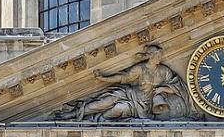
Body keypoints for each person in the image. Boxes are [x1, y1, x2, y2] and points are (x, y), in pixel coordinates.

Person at [53, 44, 190, 121]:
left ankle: (97, 120)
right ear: (151, 56)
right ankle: (72, 114)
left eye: (160, 55)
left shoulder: (165, 71)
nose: (160, 58)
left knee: (118, 109)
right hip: (131, 95)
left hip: (144, 107)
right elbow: (122, 78)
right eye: (158, 55)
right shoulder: (139, 68)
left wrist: (163, 90)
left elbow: (178, 88)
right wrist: (104, 79)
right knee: (105, 101)